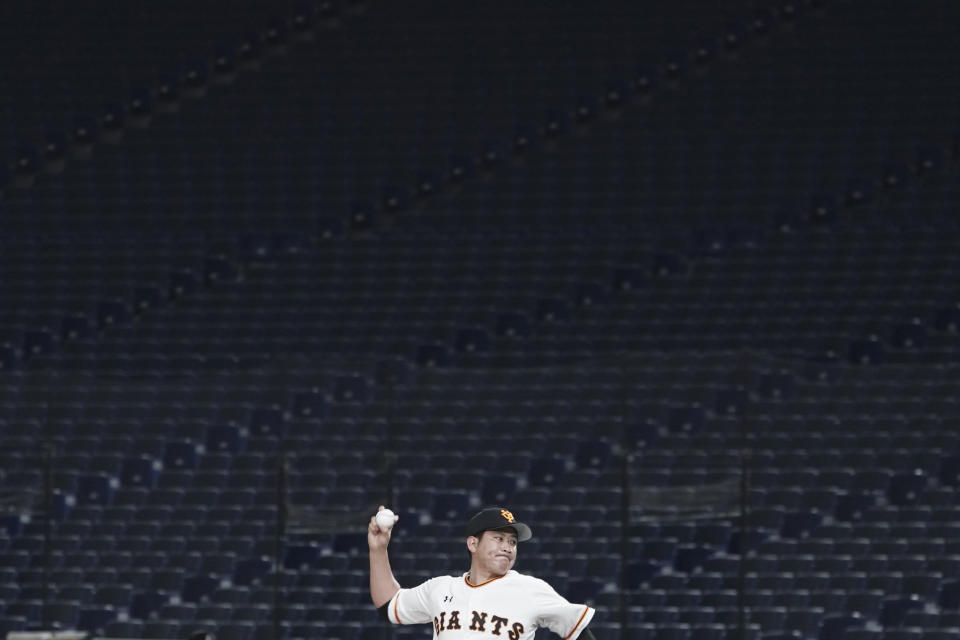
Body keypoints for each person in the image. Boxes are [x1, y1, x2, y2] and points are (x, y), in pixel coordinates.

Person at [368, 505, 598, 639]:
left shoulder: (531, 590)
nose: (508, 547)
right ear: (473, 544)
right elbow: (388, 605)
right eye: (499, 538)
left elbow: (577, 628)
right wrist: (378, 549)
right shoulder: (440, 588)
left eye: (513, 542)